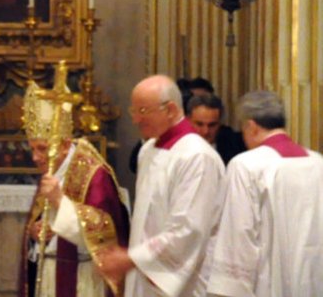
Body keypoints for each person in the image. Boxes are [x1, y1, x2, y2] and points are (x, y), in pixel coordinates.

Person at [99, 75, 225, 296]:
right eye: (134, 111)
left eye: (143, 111)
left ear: (170, 109)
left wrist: (133, 258)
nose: (136, 119)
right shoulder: (148, 150)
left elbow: (188, 228)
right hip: (143, 272)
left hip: (180, 281)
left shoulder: (196, 156)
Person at [18, 79, 130, 297]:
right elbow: (40, 226)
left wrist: (60, 201)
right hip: (50, 274)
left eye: (42, 149)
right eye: (32, 148)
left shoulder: (94, 175)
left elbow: (105, 234)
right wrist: (33, 233)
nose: (35, 157)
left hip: (82, 279)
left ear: (66, 144)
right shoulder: (53, 170)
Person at [207, 91, 323, 297]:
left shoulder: (246, 165)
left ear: (250, 126)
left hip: (269, 286)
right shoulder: (317, 162)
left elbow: (239, 237)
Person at [186, 93, 245, 166]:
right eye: (199, 124)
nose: (206, 131)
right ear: (188, 121)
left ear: (220, 123)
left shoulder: (235, 148)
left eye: (212, 125)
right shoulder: (177, 149)